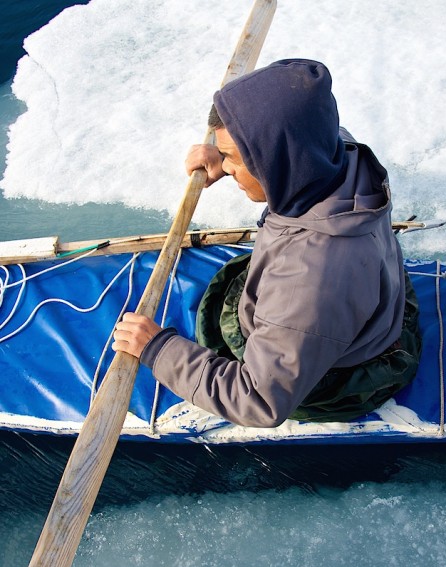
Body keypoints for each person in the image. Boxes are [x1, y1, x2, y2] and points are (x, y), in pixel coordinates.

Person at [112, 59, 421, 427]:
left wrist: (159, 349)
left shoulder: (306, 281)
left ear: (274, 162)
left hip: (338, 377)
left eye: (232, 158)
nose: (224, 167)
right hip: (365, 307)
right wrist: (225, 154)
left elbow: (257, 399)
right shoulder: (335, 151)